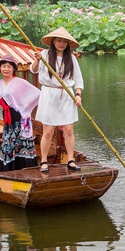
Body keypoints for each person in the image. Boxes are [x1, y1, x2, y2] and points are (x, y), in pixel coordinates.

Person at [32, 27, 84, 173]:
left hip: (67, 94)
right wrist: (37, 60)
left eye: (64, 42)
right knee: (48, 131)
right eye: (59, 41)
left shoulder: (72, 58)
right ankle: (43, 161)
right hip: (49, 95)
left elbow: (78, 78)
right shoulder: (44, 55)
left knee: (68, 130)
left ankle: (70, 160)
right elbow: (33, 70)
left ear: (68, 44)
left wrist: (78, 94)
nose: (61, 44)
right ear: (53, 41)